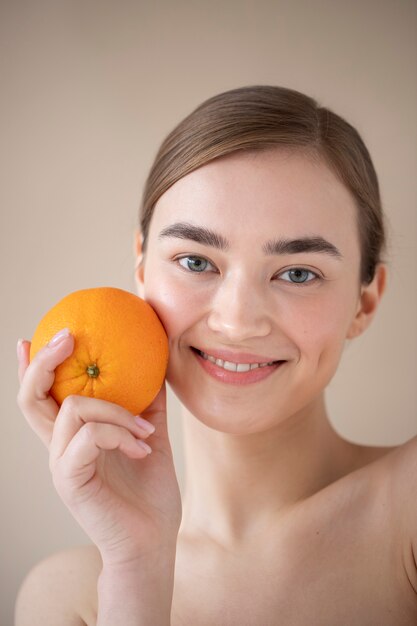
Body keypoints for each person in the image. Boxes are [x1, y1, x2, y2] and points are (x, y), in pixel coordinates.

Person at [15, 85, 417, 625]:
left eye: (298, 273)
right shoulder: (69, 598)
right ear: (141, 267)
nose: (236, 321)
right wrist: (138, 567)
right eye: (196, 262)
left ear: (364, 303)